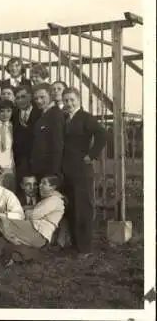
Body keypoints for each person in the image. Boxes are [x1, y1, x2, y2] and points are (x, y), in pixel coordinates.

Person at [62, 87, 107, 258]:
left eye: (72, 100)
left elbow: (102, 134)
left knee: (83, 207)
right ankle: (75, 244)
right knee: (72, 206)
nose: (69, 103)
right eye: (66, 100)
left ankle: (85, 248)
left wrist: (92, 154)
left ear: (78, 100)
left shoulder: (85, 117)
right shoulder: (65, 118)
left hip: (82, 169)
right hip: (67, 169)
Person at [0, 175, 66, 265]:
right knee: (7, 237)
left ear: (52, 187)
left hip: (37, 231)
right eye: (40, 183)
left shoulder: (54, 200)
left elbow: (33, 215)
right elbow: (36, 211)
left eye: (44, 183)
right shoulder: (50, 200)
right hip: (37, 234)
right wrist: (29, 209)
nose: (40, 185)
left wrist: (26, 211)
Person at [30, 83, 65, 182]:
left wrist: (54, 172)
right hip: (41, 168)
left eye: (42, 97)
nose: (39, 101)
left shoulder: (55, 114)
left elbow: (58, 144)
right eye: (36, 99)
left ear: (50, 95)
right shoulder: (43, 114)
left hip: (49, 170)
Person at [12, 85, 42, 192]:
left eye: (23, 97)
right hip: (21, 161)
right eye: (18, 98)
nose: (20, 100)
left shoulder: (40, 113)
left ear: (30, 97)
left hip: (37, 159)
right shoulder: (14, 115)